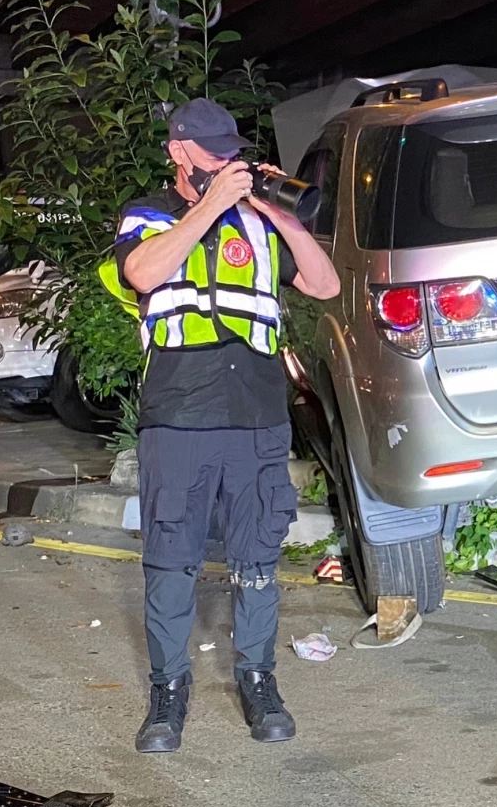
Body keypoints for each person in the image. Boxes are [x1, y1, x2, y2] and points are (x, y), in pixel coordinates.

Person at [98, 98, 341, 752]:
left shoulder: (256, 223)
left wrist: (278, 217)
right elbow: (142, 272)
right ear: (179, 153)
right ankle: (166, 695)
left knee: (258, 560)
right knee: (171, 563)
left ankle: (259, 682)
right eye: (211, 152)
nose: (227, 162)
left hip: (258, 417)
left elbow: (323, 284)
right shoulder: (149, 214)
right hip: (179, 416)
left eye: (229, 150)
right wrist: (209, 205)